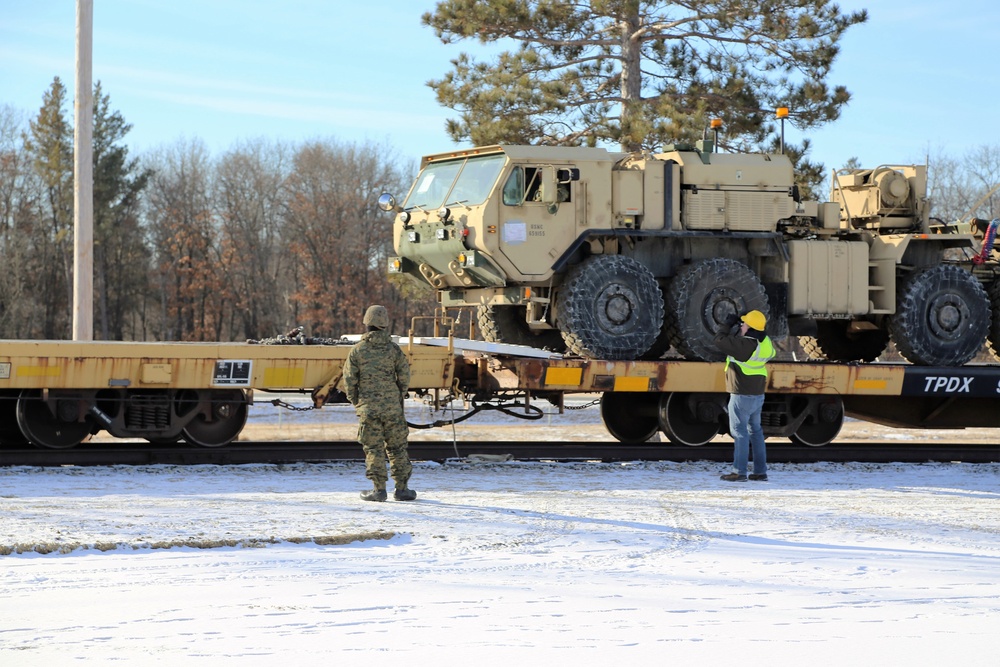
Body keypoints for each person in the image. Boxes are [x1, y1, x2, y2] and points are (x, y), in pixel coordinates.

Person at [343, 305, 416, 502]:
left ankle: (378, 490)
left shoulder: (358, 350)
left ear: (366, 323)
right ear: (385, 325)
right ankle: (402, 489)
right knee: (398, 448)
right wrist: (398, 396)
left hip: (369, 408)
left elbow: (349, 380)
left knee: (374, 449)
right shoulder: (393, 350)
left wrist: (357, 401)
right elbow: (404, 376)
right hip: (393, 407)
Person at [713, 309, 775, 482]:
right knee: (756, 432)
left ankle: (739, 472)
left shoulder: (744, 346)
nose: (741, 326)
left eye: (744, 324)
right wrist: (742, 326)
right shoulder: (765, 343)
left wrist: (727, 324)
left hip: (741, 394)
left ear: (750, 327)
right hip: (757, 394)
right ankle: (760, 472)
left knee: (739, 432)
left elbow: (719, 340)